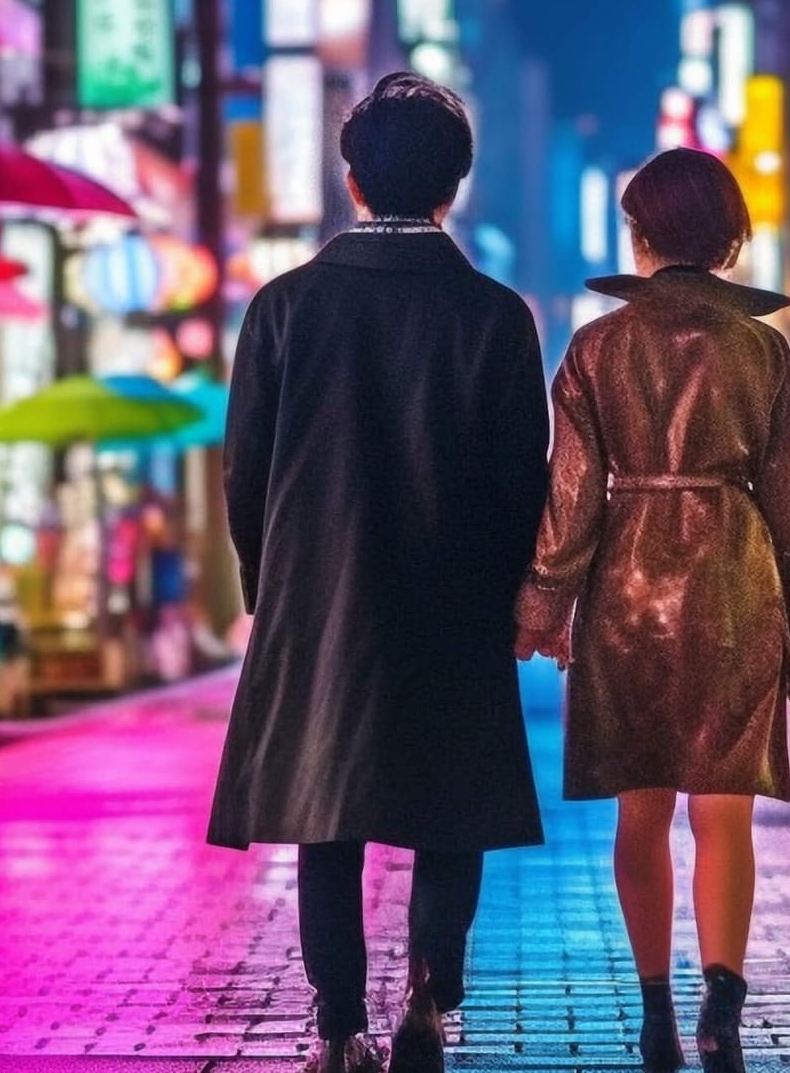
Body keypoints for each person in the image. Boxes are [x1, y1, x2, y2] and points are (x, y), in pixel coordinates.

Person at [208, 73, 550, 1073]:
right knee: (453, 804)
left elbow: (245, 470)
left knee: (329, 809)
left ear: (351, 180)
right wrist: (514, 594)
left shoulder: (283, 307)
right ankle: (429, 1009)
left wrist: (268, 589)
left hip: (319, 598)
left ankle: (334, 1026)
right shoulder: (493, 316)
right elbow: (517, 478)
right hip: (454, 597)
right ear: (455, 185)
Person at [514, 148, 790, 1073]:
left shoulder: (594, 349)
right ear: (730, 235)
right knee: (723, 814)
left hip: (626, 586)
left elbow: (570, 499)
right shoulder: (762, 349)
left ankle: (656, 1005)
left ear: (642, 235)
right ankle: (722, 999)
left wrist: (541, 608)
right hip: (737, 578)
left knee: (641, 813)